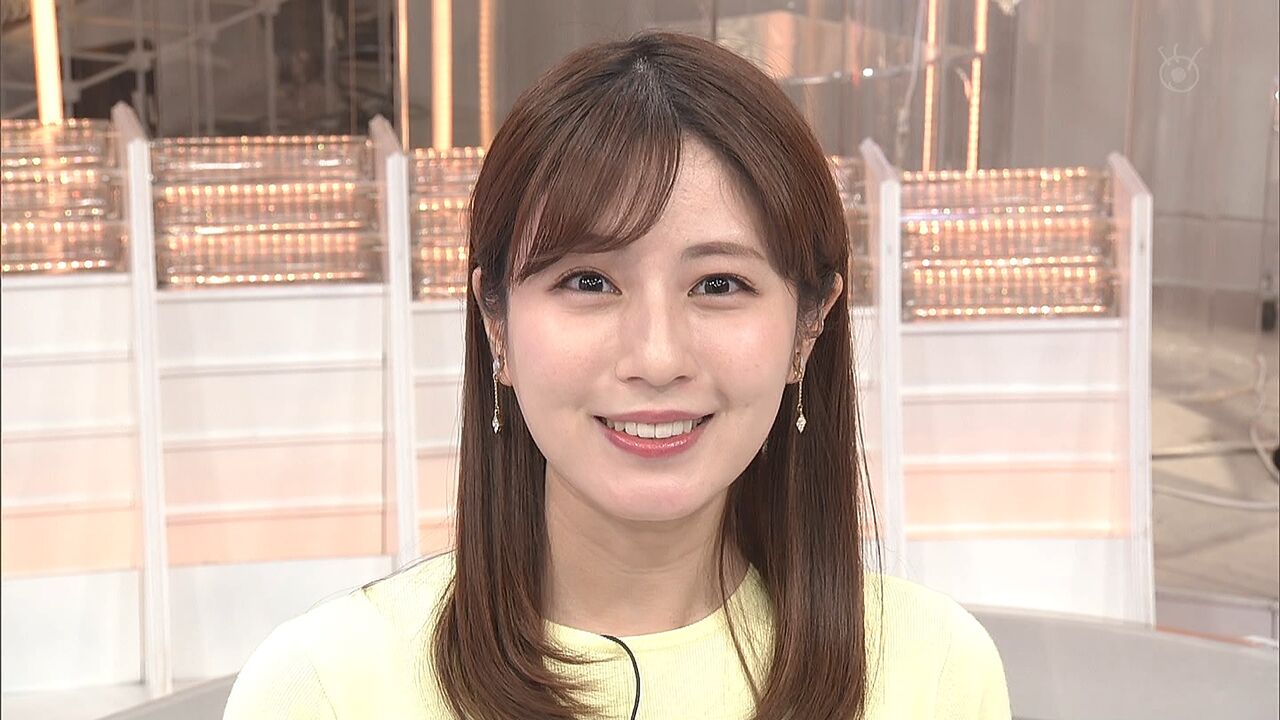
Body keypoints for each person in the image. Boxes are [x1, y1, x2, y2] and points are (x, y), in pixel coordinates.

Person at [223, 31, 1010, 720]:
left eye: (719, 284)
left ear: (810, 325)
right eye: (589, 281)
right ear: (497, 324)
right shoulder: (327, 688)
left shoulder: (933, 671)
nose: (657, 358)